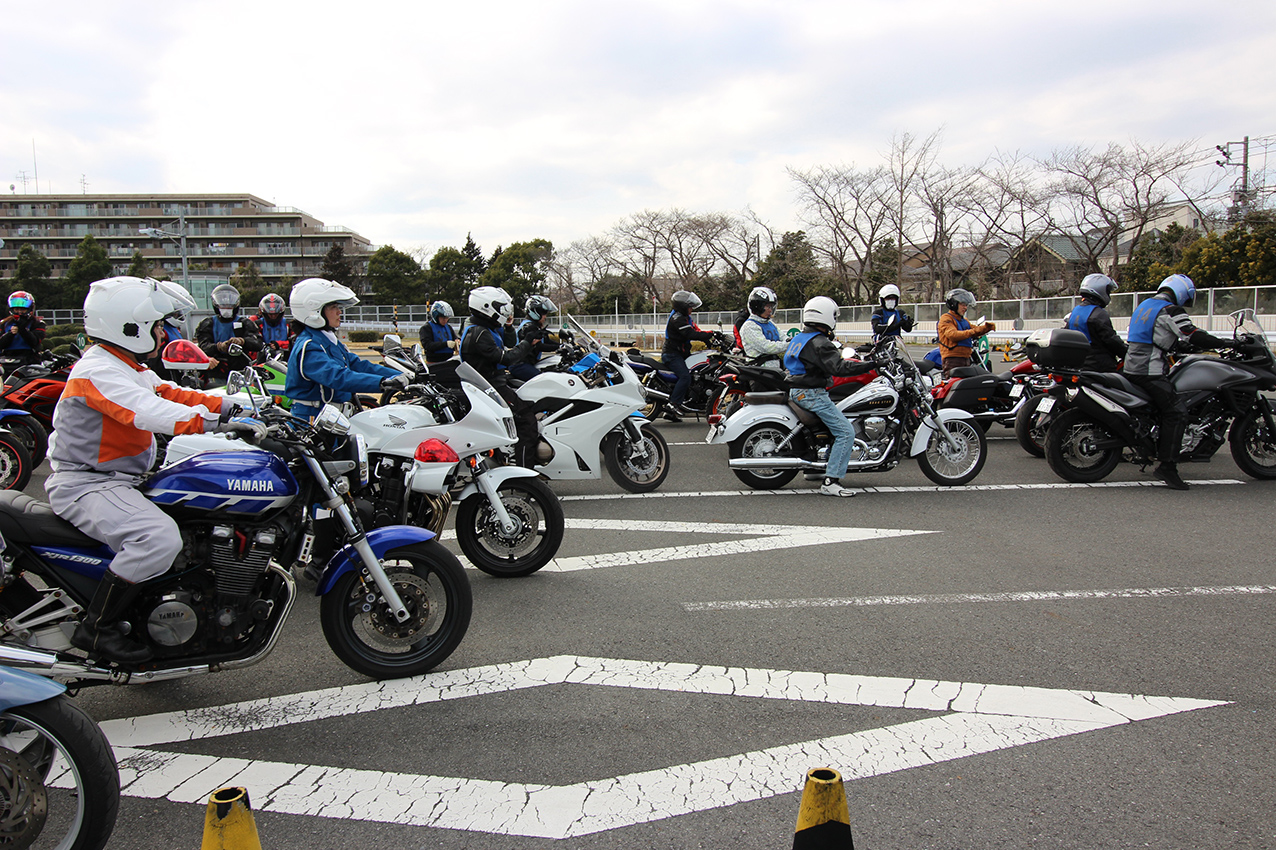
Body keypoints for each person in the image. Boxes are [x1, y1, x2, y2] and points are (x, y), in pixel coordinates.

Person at [45, 276, 265, 664]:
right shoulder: (97, 371)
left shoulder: (127, 367)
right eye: (157, 325)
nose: (163, 332)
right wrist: (218, 423)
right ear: (130, 327)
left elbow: (172, 393)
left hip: (120, 480)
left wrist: (237, 405)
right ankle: (97, 628)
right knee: (158, 539)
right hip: (88, 484)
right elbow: (149, 411)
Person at [1123, 273, 1239, 491]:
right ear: (1183, 292)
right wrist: (1227, 343)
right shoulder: (1171, 310)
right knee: (1176, 412)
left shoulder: (1145, 305)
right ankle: (1167, 467)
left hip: (1132, 367)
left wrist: (1185, 346)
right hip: (1149, 370)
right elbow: (1192, 334)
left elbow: (1158, 337)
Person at [784, 296, 876, 497]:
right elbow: (840, 368)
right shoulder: (820, 343)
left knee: (830, 427)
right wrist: (871, 364)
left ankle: (814, 469)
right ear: (826, 316)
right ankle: (831, 481)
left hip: (798, 390)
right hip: (812, 393)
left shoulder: (800, 338)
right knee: (846, 432)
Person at [284, 278, 406, 422]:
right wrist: (383, 382)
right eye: (333, 307)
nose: (339, 312)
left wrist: (403, 375)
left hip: (331, 416)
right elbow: (337, 377)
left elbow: (358, 365)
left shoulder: (327, 340)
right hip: (312, 420)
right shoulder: (309, 346)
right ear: (314, 310)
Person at [459, 286, 539, 467]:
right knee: (527, 421)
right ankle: (525, 473)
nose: (504, 311)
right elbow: (507, 357)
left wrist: (509, 326)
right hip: (490, 387)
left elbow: (509, 342)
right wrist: (527, 342)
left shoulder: (486, 328)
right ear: (486, 307)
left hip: (492, 383)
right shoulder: (479, 334)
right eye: (500, 308)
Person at [662, 290, 722, 421]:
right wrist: (709, 335)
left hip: (680, 353)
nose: (692, 309)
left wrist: (709, 339)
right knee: (685, 377)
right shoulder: (677, 319)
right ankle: (673, 404)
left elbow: (696, 330)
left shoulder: (685, 318)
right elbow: (690, 334)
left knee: (695, 374)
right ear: (682, 307)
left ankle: (672, 412)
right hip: (672, 355)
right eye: (690, 307)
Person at [196, 283, 262, 379]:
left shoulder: (245, 323)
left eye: (229, 306)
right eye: (223, 306)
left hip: (240, 370)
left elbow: (258, 344)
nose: (226, 308)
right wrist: (219, 347)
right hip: (216, 370)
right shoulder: (207, 324)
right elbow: (203, 347)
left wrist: (242, 341)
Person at [1065, 274, 1126, 372]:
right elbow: (1111, 340)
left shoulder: (1075, 312)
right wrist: (1127, 352)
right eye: (1108, 292)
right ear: (1100, 290)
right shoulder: (1098, 314)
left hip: (1079, 365)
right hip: (1100, 367)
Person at [937, 288, 995, 377]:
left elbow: (975, 329)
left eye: (966, 305)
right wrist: (972, 332)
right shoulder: (946, 318)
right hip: (953, 359)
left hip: (966, 358)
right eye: (962, 304)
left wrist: (986, 328)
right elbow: (953, 335)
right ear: (954, 304)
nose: (965, 308)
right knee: (955, 383)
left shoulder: (964, 320)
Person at [510, 295, 562, 381]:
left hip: (528, 363)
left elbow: (547, 340)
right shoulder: (528, 327)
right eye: (543, 313)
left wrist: (563, 345)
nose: (545, 316)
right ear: (535, 312)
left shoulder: (535, 326)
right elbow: (539, 346)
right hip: (519, 365)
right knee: (544, 380)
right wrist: (559, 347)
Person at [738, 286, 788, 368]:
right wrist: (789, 344)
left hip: (774, 369)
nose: (770, 310)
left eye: (771, 307)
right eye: (768, 306)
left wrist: (794, 341)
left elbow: (784, 338)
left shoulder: (770, 323)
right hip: (759, 370)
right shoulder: (749, 326)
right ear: (758, 306)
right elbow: (766, 347)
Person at [0, 290, 47, 366]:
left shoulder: (37, 323)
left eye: (22, 309)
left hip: (29, 361)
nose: (19, 312)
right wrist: (10, 334)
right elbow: (1, 344)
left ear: (29, 309)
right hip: (7, 360)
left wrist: (22, 329)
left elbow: (34, 342)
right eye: (16, 309)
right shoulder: (5, 323)